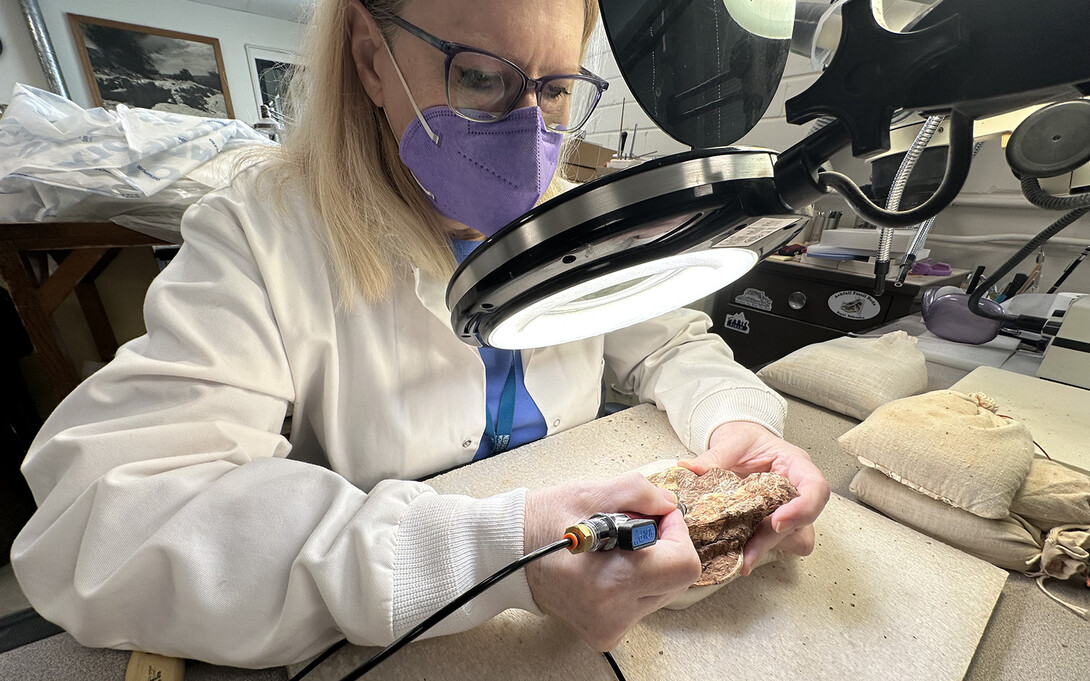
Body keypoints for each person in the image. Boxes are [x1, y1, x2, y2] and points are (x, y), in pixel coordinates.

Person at [12, 0, 829, 668]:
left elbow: (673, 344)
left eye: (553, 91)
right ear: (372, 58)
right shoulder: (261, 234)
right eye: (480, 77)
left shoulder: (576, 217)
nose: (527, 133)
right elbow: (96, 528)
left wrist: (740, 423)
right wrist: (495, 550)